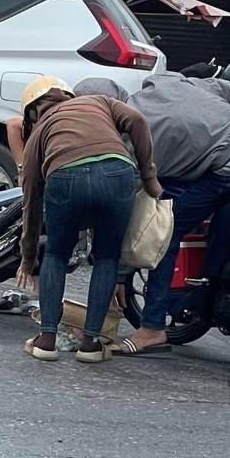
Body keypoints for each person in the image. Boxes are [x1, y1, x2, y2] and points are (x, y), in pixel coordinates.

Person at [114, 59, 230, 355]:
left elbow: (141, 186)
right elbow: (223, 86)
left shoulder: (131, 135)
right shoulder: (169, 82)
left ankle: (151, 328)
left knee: (166, 231)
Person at [16, 76, 161, 363]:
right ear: (67, 95)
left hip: (65, 176)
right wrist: (149, 178)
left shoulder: (38, 134)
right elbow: (137, 121)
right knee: (107, 256)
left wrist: (29, 258)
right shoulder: (100, 102)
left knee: (56, 254)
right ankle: (91, 344)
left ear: (33, 112)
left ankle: (46, 340)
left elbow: (31, 202)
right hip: (117, 174)